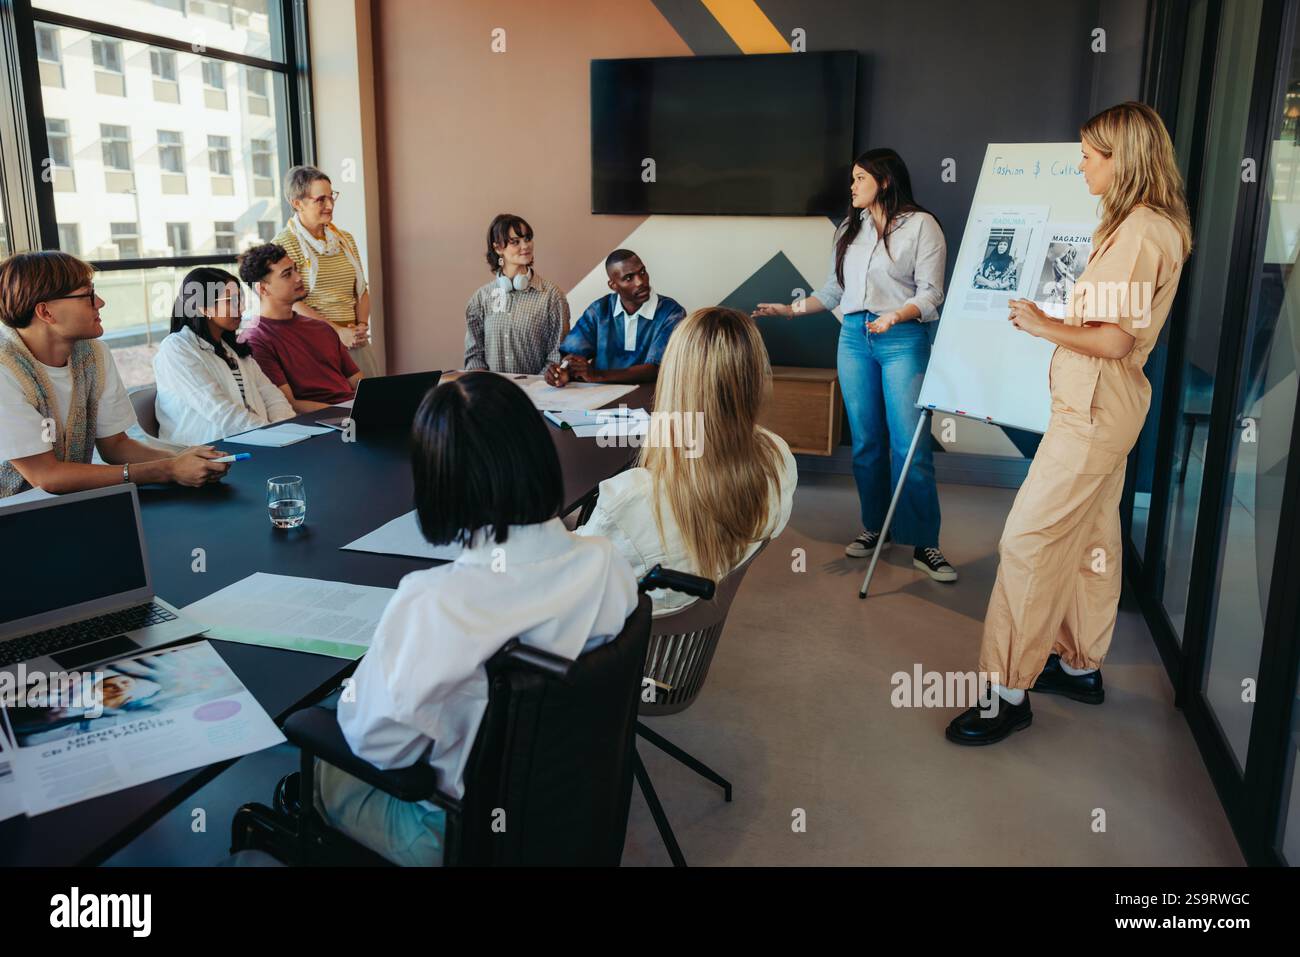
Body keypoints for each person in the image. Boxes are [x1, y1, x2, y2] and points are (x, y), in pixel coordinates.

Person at [945, 101, 1193, 745]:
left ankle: (1005, 695)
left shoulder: (1141, 231)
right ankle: (1079, 666)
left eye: (1089, 155)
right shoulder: (1147, 225)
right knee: (1091, 540)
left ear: (1122, 160)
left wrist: (1039, 325)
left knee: (1027, 543)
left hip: (1092, 414)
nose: (1080, 164)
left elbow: (1112, 340)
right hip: (1102, 412)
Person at [323, 372, 639, 866]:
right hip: (566, 812)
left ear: (436, 482)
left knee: (315, 730)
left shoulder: (434, 602)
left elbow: (380, 748)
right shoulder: (608, 564)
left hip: (450, 831)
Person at [753, 148, 956, 582]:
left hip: (901, 338)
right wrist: (788, 310)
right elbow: (832, 292)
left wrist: (896, 315)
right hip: (853, 338)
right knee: (865, 443)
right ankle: (875, 527)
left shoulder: (922, 226)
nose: (852, 186)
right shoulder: (850, 228)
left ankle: (925, 542)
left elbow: (931, 293)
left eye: (859, 178)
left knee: (909, 445)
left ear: (883, 180)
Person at [577, 307, 797, 615]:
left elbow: (569, 584)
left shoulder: (628, 501)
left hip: (633, 653)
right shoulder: (779, 458)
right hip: (680, 649)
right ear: (754, 377)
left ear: (673, 379)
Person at [0, 251, 229, 497]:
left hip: (67, 507)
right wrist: (168, 469)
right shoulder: (6, 369)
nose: (100, 302)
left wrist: (186, 457)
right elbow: (46, 477)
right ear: (46, 313)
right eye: (87, 295)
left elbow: (115, 446)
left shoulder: (93, 354)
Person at [153, 267, 295, 446]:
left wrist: (287, 430)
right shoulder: (176, 349)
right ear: (204, 308)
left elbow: (272, 396)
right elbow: (220, 411)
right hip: (207, 454)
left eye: (241, 299)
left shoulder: (232, 349)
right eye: (231, 301)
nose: (242, 308)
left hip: (256, 442)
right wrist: (272, 437)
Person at [273, 165, 379, 378]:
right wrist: (337, 331)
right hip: (314, 344)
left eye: (332, 197)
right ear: (297, 203)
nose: (330, 205)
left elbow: (360, 290)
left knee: (372, 404)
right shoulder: (283, 244)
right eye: (320, 200)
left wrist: (361, 326)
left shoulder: (345, 239)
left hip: (354, 340)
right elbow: (291, 302)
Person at [238, 243, 363, 412]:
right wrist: (348, 414)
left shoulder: (321, 328)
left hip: (353, 412)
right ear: (263, 289)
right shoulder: (256, 340)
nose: (298, 277)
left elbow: (357, 380)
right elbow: (288, 404)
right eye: (287, 274)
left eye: (295, 269)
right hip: (319, 422)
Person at [544, 249, 684, 387]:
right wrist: (563, 371)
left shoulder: (671, 313)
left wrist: (597, 375)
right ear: (613, 285)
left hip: (650, 400)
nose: (640, 282)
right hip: (601, 399)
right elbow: (571, 356)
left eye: (642, 272)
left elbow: (656, 369)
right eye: (629, 278)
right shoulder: (599, 310)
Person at [464, 214, 570, 374]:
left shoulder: (552, 296)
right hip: (491, 393)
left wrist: (535, 386)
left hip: (538, 394)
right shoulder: (481, 297)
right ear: (498, 248)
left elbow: (557, 354)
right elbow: (474, 355)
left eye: (527, 239)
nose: (525, 246)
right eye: (515, 242)